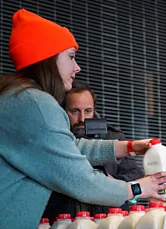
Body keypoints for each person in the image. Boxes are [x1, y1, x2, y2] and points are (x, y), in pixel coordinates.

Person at [0, 9, 166, 229]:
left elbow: (68, 147)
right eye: (70, 57)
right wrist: (138, 189)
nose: (77, 67)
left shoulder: (18, 98)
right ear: (47, 59)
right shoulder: (36, 104)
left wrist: (125, 147)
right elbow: (81, 180)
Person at [43, 81, 145, 221]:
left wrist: (113, 184)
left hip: (111, 220)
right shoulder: (54, 138)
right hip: (64, 222)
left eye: (88, 111)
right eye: (75, 111)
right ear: (62, 110)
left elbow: (135, 175)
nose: (82, 119)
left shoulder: (113, 137)